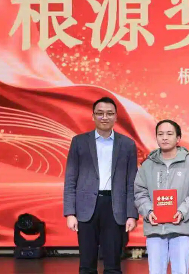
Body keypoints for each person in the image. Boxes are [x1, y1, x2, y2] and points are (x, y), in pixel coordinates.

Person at [63, 96, 139, 274]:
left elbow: (132, 183)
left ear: (116, 117)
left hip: (115, 207)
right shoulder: (79, 142)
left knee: (113, 265)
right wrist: (70, 213)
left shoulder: (127, 144)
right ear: (93, 116)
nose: (105, 117)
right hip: (86, 208)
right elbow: (70, 179)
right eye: (100, 113)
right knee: (86, 265)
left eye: (109, 113)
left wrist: (132, 214)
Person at [134, 119, 189, 274]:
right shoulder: (147, 164)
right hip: (154, 227)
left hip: (181, 227)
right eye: (160, 134)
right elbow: (140, 193)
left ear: (178, 138)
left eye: (169, 134)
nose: (164, 138)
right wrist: (149, 211)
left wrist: (182, 211)